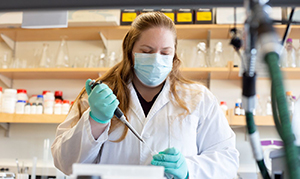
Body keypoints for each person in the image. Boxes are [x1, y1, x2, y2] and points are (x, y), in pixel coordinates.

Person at [51, 12, 239, 179]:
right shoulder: (99, 97)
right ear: (130, 52)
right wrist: (95, 121)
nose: (157, 58)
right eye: (146, 51)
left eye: (165, 52)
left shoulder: (199, 98)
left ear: (174, 56)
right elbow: (64, 162)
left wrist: (189, 169)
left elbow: (227, 160)